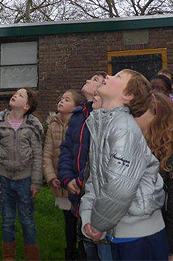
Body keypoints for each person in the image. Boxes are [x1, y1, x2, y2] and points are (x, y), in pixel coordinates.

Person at [80, 69, 169, 261]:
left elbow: (119, 189)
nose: (109, 77)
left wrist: (97, 224)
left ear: (128, 96)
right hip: (118, 233)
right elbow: (95, 178)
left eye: (118, 76)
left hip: (140, 236)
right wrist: (88, 216)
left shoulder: (124, 129)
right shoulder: (101, 125)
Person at [57, 72, 111, 261]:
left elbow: (98, 156)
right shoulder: (79, 115)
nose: (88, 80)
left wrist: (81, 180)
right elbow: (66, 148)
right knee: (87, 246)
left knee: (104, 250)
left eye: (96, 79)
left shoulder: (107, 117)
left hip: (97, 194)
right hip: (77, 194)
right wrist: (66, 178)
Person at [0, 88, 44, 261]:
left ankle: (32, 256)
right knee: (7, 220)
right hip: (4, 180)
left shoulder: (32, 128)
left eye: (20, 95)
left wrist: (36, 183)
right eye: (15, 93)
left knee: (27, 220)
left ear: (26, 106)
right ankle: (8, 256)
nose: (15, 95)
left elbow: (38, 156)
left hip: (25, 181)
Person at [133, 92, 173, 258]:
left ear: (156, 113)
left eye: (138, 112)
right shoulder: (136, 141)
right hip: (137, 228)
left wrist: (170, 243)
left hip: (161, 232)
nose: (132, 117)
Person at [43, 89, 86, 260]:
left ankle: (83, 251)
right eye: (61, 98)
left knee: (82, 219)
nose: (61, 101)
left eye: (67, 100)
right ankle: (70, 251)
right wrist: (51, 176)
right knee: (68, 220)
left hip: (77, 183)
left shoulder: (82, 125)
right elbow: (46, 155)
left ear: (76, 107)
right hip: (60, 184)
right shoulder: (52, 126)